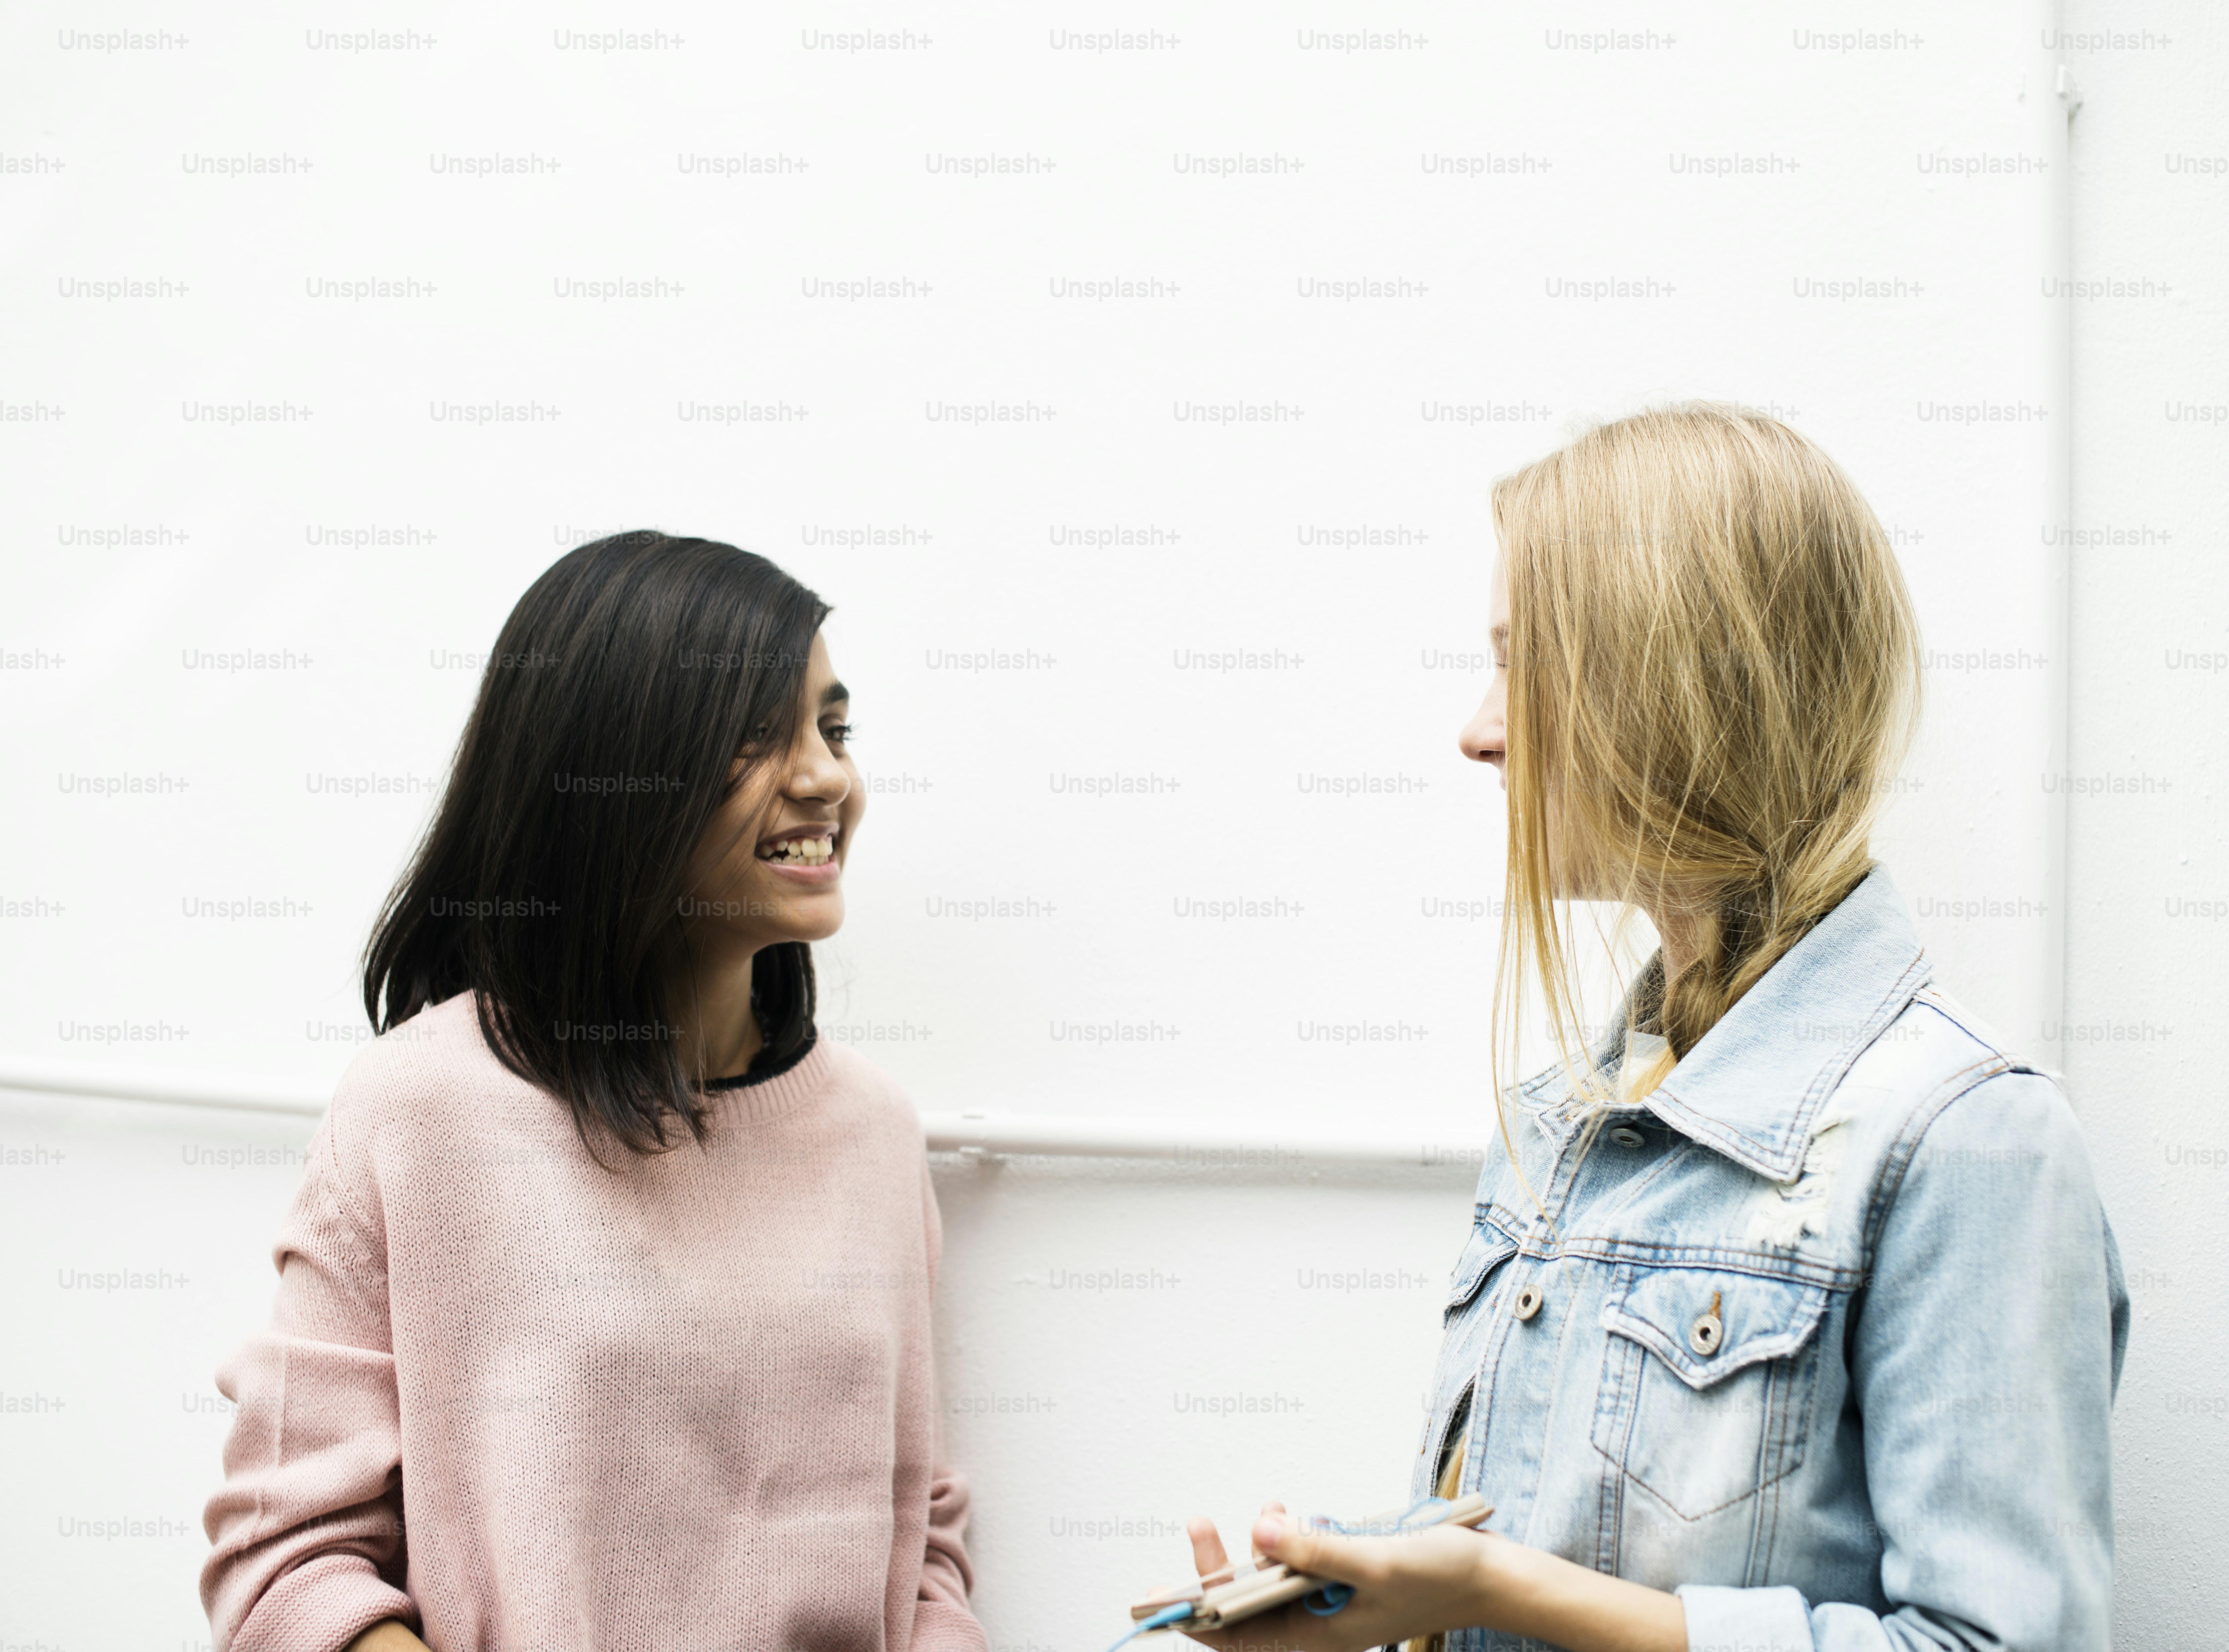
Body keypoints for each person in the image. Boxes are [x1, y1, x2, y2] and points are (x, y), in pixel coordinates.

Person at [1180, 405, 2128, 1652]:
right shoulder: (1564, 1117)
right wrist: (1362, 1594)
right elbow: (1556, 1540)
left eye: (1524, 662)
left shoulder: (1967, 1144)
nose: (1478, 731)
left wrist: (1490, 1591)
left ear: (1684, 687)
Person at [199, 532, 987, 1652]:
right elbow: (287, 1562)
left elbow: (921, 1550)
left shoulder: (870, 1133)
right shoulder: (419, 1110)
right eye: (755, 736)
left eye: (833, 728)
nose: (825, 777)